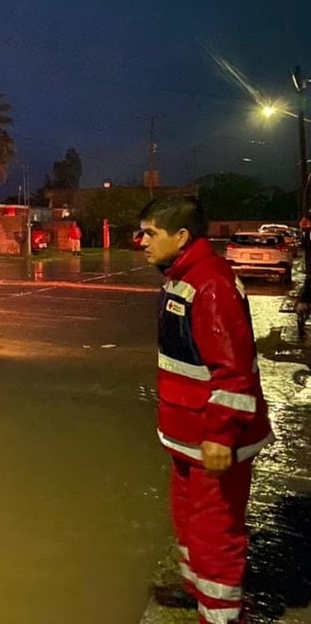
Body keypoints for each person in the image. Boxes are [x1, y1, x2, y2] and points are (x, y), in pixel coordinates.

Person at [138, 195, 274, 623]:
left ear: (181, 237)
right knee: (189, 520)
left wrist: (221, 434)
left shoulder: (209, 284)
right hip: (187, 435)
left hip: (214, 440)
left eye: (150, 233)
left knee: (216, 531)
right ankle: (198, 593)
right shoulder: (180, 276)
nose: (141, 241)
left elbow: (233, 372)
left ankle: (219, 615)